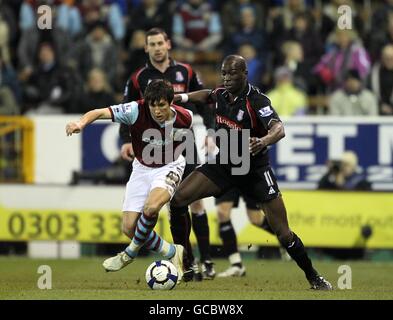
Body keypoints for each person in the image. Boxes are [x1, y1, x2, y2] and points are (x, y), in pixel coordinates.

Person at [170, 55, 333, 290]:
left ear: (244, 74)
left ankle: (313, 276)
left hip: (254, 170)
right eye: (223, 73)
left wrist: (263, 140)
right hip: (225, 165)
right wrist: (180, 97)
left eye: (232, 73)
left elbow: (279, 128)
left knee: (283, 233)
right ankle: (185, 262)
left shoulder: (256, 100)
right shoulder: (221, 95)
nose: (226, 78)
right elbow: (206, 95)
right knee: (178, 200)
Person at [65, 79, 189, 281]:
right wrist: (80, 123)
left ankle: (129, 254)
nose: (157, 111)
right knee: (129, 228)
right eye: (152, 105)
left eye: (161, 105)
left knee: (151, 208)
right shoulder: (134, 110)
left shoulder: (185, 117)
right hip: (141, 168)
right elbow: (99, 112)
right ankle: (171, 252)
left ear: (170, 103)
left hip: (169, 166)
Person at [119, 28, 215, 281]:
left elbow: (206, 101)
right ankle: (187, 262)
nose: (157, 47)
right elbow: (126, 110)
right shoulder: (138, 78)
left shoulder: (186, 71)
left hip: (185, 139)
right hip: (152, 145)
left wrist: (212, 130)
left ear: (168, 44)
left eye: (160, 42)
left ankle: (207, 260)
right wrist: (127, 140)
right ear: (146, 48)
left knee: (194, 200)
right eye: (152, 44)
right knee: (173, 203)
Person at [215, 188, 277, 277]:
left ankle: (288, 238)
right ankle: (236, 265)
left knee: (256, 219)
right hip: (227, 176)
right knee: (222, 213)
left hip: (247, 176)